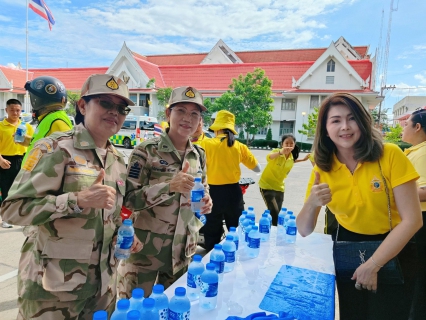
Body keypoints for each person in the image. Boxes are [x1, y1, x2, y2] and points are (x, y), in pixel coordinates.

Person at [1, 74, 142, 319]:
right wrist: (76, 200)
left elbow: (110, 211)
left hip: (102, 286)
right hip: (54, 291)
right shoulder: (56, 148)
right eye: (105, 103)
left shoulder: (118, 159)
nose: (114, 113)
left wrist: (124, 231)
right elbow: (12, 209)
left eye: (121, 108)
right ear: (83, 105)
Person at [296, 92, 422, 320]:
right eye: (335, 120)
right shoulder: (323, 168)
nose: (345, 126)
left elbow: (413, 219)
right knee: (353, 314)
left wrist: (373, 265)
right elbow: (304, 230)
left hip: (394, 245)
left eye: (351, 118)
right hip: (348, 248)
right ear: (325, 129)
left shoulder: (389, 154)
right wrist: (312, 203)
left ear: (362, 122)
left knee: (389, 314)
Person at [117, 86, 213, 298]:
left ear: (199, 121)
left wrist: (207, 200)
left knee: (173, 309)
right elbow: (128, 199)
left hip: (182, 252)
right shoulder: (146, 151)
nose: (187, 118)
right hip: (145, 253)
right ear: (168, 114)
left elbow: (203, 187)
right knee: (136, 311)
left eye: (194, 114)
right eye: (181, 111)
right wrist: (169, 186)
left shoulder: (199, 155)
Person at [199, 110, 260, 252]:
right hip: (233, 192)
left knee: (212, 227)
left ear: (218, 128)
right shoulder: (239, 146)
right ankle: (237, 253)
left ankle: (212, 256)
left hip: (212, 192)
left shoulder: (206, 144)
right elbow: (256, 168)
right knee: (236, 226)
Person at [401, 108, 426, 319]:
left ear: (418, 127)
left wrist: (394, 193)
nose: (403, 127)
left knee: (417, 276)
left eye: (406, 123)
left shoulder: (424, 153)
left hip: (420, 222)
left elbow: (425, 191)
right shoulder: (417, 151)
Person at [259, 134, 310, 225]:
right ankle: (271, 230)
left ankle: (267, 222)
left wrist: (303, 160)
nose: (289, 146)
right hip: (266, 185)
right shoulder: (276, 152)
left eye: (291, 144)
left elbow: (292, 161)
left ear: (294, 145)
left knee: (278, 212)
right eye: (286, 143)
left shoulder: (291, 157)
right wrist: (280, 152)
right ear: (282, 144)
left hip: (279, 187)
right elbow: (269, 157)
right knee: (274, 213)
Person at [22, 76, 73, 165]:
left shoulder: (57, 122)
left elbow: (68, 158)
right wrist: (29, 141)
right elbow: (49, 144)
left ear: (36, 100)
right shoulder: (49, 118)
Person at [0, 99, 34, 228]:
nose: (15, 112)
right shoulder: (1, 126)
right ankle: (6, 218)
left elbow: (33, 144)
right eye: (12, 109)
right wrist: (1, 160)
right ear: (6, 110)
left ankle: (22, 217)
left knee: (23, 189)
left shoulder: (26, 126)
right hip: (6, 160)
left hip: (23, 160)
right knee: (7, 189)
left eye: (18, 110)